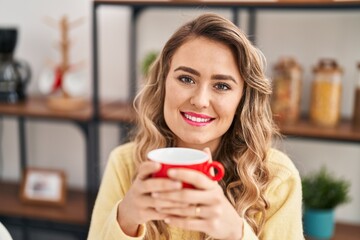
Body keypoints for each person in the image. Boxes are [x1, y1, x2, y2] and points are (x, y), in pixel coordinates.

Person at [88, 13, 304, 240]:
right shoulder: (124, 164)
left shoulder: (278, 177)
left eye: (221, 85)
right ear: (163, 83)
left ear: (242, 99)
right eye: (186, 79)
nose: (200, 100)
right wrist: (125, 220)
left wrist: (235, 234)